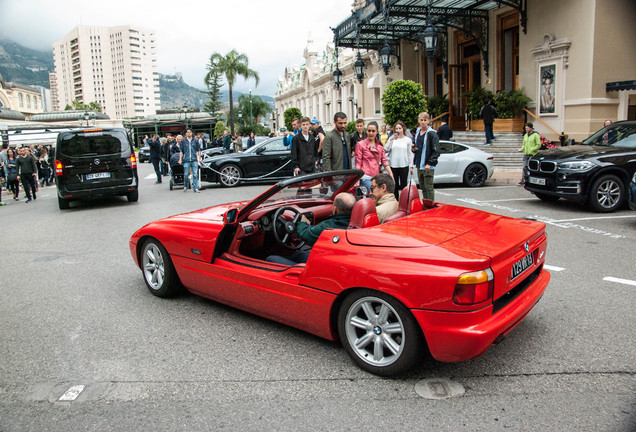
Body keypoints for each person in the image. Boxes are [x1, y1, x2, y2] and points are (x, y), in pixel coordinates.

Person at [266, 192, 356, 265]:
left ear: (335, 209)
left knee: (270, 258)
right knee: (300, 254)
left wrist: (303, 223)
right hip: (336, 260)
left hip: (323, 266)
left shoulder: (330, 226)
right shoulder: (358, 221)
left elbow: (306, 234)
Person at [355, 121, 393, 191]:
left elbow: (384, 161)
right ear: (366, 131)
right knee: (371, 195)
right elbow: (358, 162)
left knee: (376, 197)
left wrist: (391, 174)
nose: (371, 133)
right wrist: (357, 178)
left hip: (376, 176)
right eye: (369, 131)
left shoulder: (379, 146)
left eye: (373, 131)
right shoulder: (360, 144)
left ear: (377, 132)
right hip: (365, 176)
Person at [412, 112, 441, 201]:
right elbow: (417, 145)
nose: (423, 122)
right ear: (418, 121)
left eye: (425, 120)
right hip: (419, 164)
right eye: (421, 120)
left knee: (429, 187)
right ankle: (426, 204)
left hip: (427, 165)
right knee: (423, 187)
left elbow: (436, 151)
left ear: (428, 121)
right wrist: (414, 148)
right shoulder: (417, 132)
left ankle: (431, 205)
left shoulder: (432, 133)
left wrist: (429, 163)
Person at [385, 121, 413, 200]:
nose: (398, 130)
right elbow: (386, 149)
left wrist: (411, 166)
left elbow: (410, 154)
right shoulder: (393, 139)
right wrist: (390, 139)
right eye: (396, 128)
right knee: (394, 185)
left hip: (404, 164)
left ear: (403, 129)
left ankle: (404, 201)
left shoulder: (407, 140)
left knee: (404, 185)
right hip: (394, 165)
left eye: (400, 128)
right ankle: (395, 201)